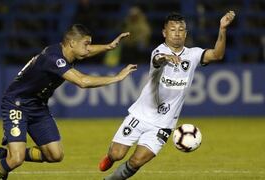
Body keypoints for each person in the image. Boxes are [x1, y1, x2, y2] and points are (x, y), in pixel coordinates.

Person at [0, 24, 137, 180]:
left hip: (38, 106)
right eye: (86, 44)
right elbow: (82, 81)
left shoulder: (70, 52)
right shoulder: (54, 58)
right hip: (17, 104)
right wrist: (117, 77)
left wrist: (108, 47)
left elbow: (87, 51)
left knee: (55, 155)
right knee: (16, 160)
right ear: (72, 43)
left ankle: (7, 153)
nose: (89, 48)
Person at [99, 11, 235, 180]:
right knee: (117, 154)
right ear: (165, 33)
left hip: (164, 123)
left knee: (136, 161)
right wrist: (166, 57)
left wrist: (222, 29)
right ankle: (110, 157)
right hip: (141, 115)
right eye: (173, 29)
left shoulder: (192, 55)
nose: (177, 33)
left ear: (185, 33)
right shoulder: (158, 51)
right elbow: (157, 60)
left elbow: (217, 55)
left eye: (181, 29)